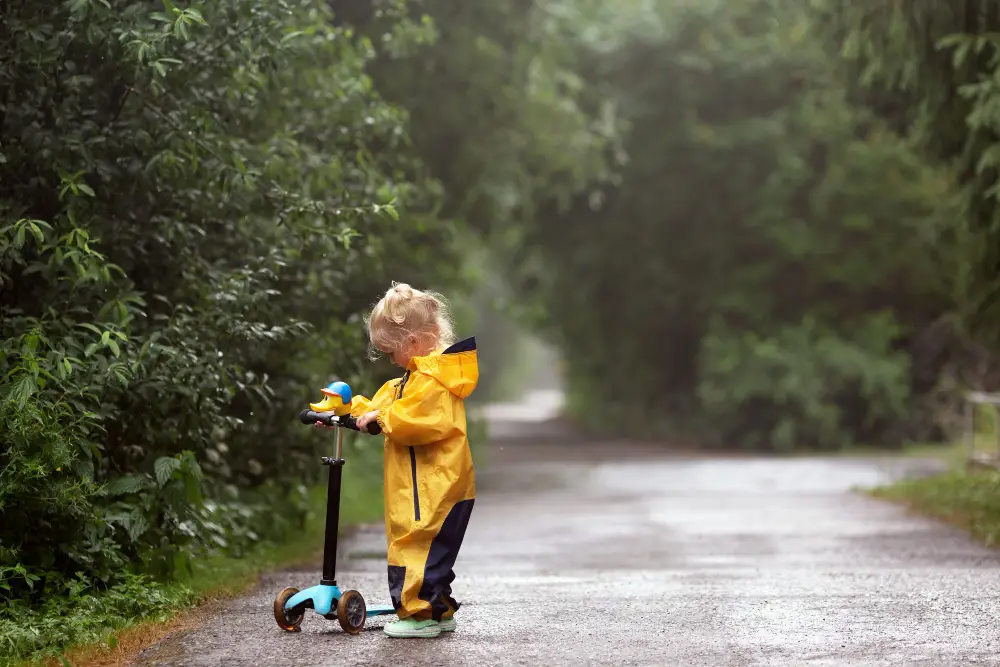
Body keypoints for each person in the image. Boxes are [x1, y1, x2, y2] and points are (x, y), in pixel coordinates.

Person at [344, 282, 478, 639]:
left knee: (415, 547)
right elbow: (385, 403)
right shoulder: (416, 379)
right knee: (432, 552)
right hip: (437, 486)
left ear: (415, 343)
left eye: (391, 351)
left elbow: (417, 419)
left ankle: (418, 615)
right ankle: (438, 608)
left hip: (432, 488)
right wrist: (349, 408)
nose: (390, 359)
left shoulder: (431, 382)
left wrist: (383, 419)